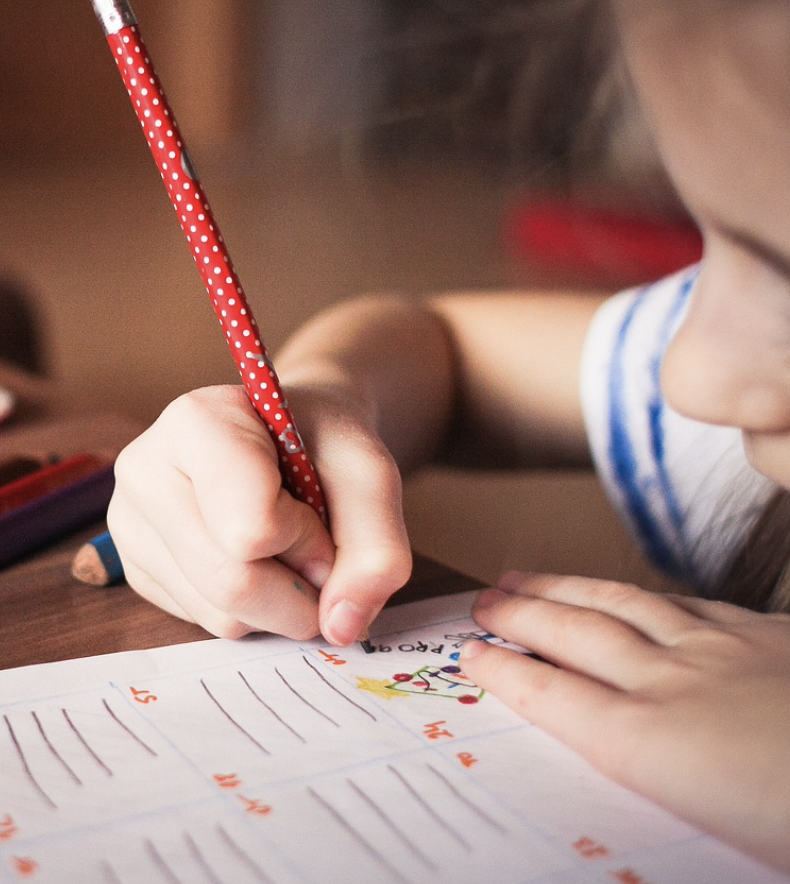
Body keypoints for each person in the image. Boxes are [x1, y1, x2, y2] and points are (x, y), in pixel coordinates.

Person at [105, 0, 790, 873]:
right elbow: (445, 351)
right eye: (708, 249)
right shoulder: (728, 387)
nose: (686, 374)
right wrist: (329, 402)